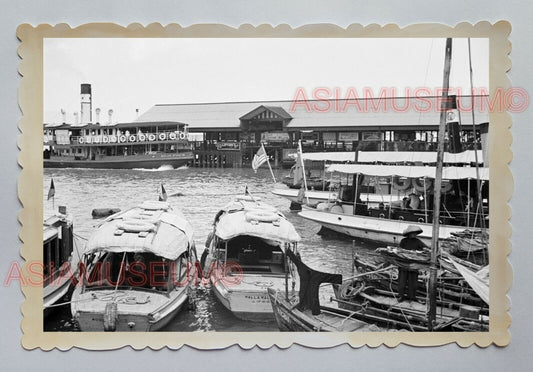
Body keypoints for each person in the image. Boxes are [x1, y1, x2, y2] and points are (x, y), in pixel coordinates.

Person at [397, 225, 428, 302]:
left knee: (413, 282)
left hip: (413, 264)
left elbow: (426, 248)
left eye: (415, 233)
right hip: (403, 263)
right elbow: (399, 251)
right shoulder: (403, 241)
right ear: (409, 233)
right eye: (413, 233)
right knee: (402, 281)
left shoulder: (418, 241)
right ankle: (401, 296)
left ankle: (412, 297)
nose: (414, 234)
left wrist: (424, 250)